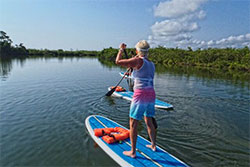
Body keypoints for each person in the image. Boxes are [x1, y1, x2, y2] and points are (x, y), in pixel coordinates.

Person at [115, 40, 156, 158]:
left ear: (138, 50)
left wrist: (121, 50)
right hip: (151, 93)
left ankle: (132, 152)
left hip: (141, 94)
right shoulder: (151, 63)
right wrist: (132, 66)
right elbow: (141, 71)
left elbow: (117, 61)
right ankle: (153, 145)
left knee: (133, 122)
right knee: (149, 120)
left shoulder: (138, 60)